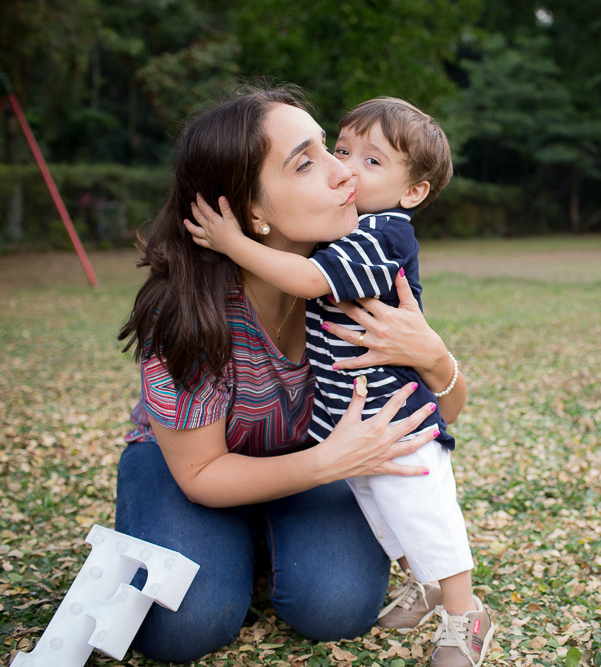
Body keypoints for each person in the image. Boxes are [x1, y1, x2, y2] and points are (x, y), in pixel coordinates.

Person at [115, 85, 468, 664]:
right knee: (186, 627)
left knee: (338, 609)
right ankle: (227, 541)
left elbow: (438, 414)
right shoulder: (184, 310)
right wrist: (330, 463)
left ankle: (258, 539)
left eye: (332, 149)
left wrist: (433, 356)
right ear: (251, 213)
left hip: (312, 451)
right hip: (193, 466)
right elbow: (201, 471)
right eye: (307, 162)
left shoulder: (349, 275)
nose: (343, 172)